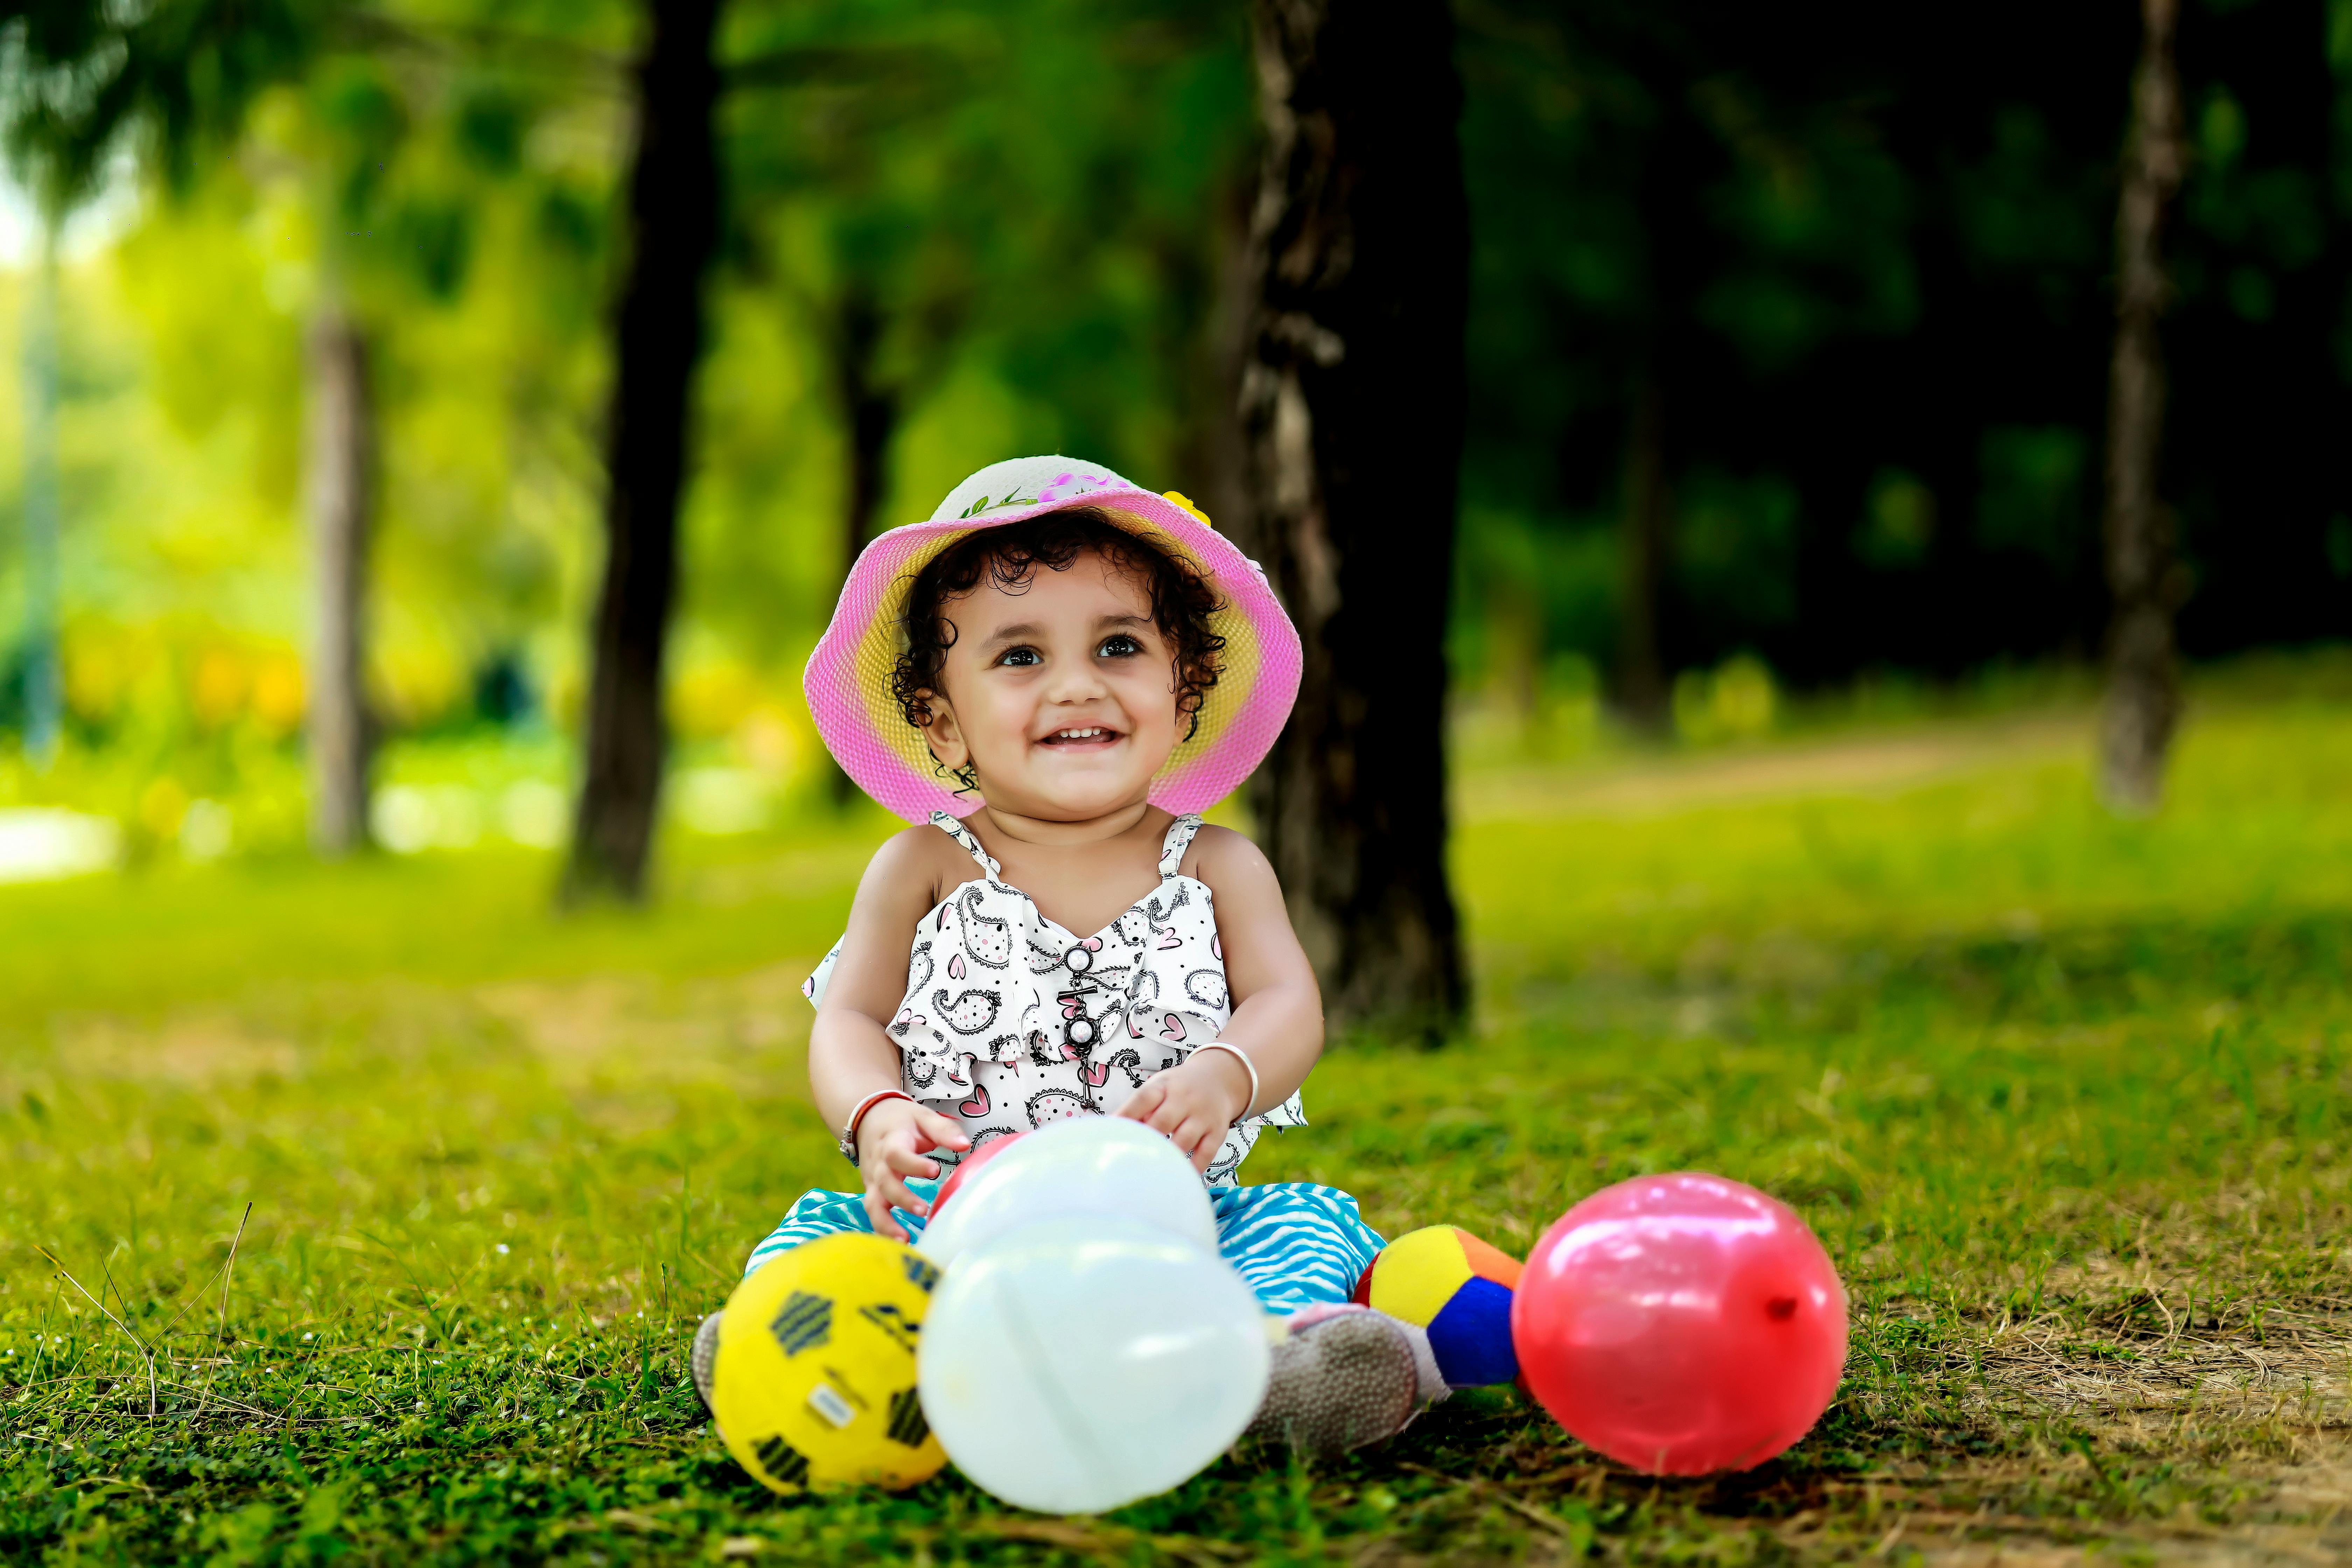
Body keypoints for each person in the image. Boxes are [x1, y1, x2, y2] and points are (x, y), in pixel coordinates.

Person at [694, 456, 1448, 1457]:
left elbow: (1287, 1001)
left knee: (1299, 1230)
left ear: (1185, 693)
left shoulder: (1217, 865)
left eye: (1121, 646)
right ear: (939, 719)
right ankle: (814, 1348)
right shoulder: (923, 866)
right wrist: (876, 1112)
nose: (1078, 684)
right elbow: (851, 1020)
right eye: (1019, 659)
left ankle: (1272, 1370)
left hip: (1176, 1217)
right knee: (822, 1236)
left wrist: (1226, 1074)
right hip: (950, 1213)